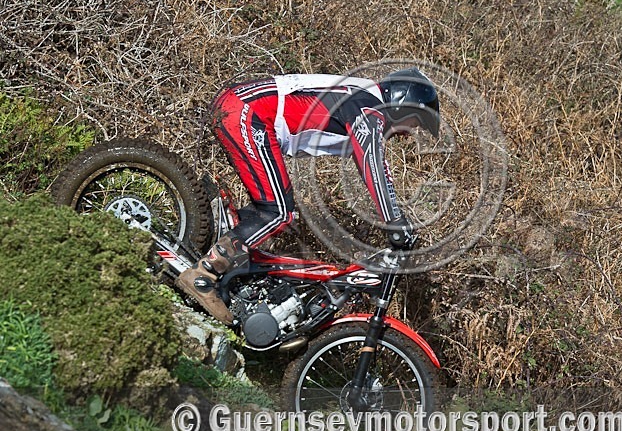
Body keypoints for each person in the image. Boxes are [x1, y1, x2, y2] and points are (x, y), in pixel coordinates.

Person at [175, 67, 440, 324]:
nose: (408, 133)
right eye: (415, 122)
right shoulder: (369, 107)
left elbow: (372, 166)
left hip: (243, 108)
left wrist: (394, 216)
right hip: (250, 113)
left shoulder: (363, 98)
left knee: (270, 208)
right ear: (402, 103)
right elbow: (372, 163)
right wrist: (395, 222)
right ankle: (203, 276)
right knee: (277, 212)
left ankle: (217, 241)